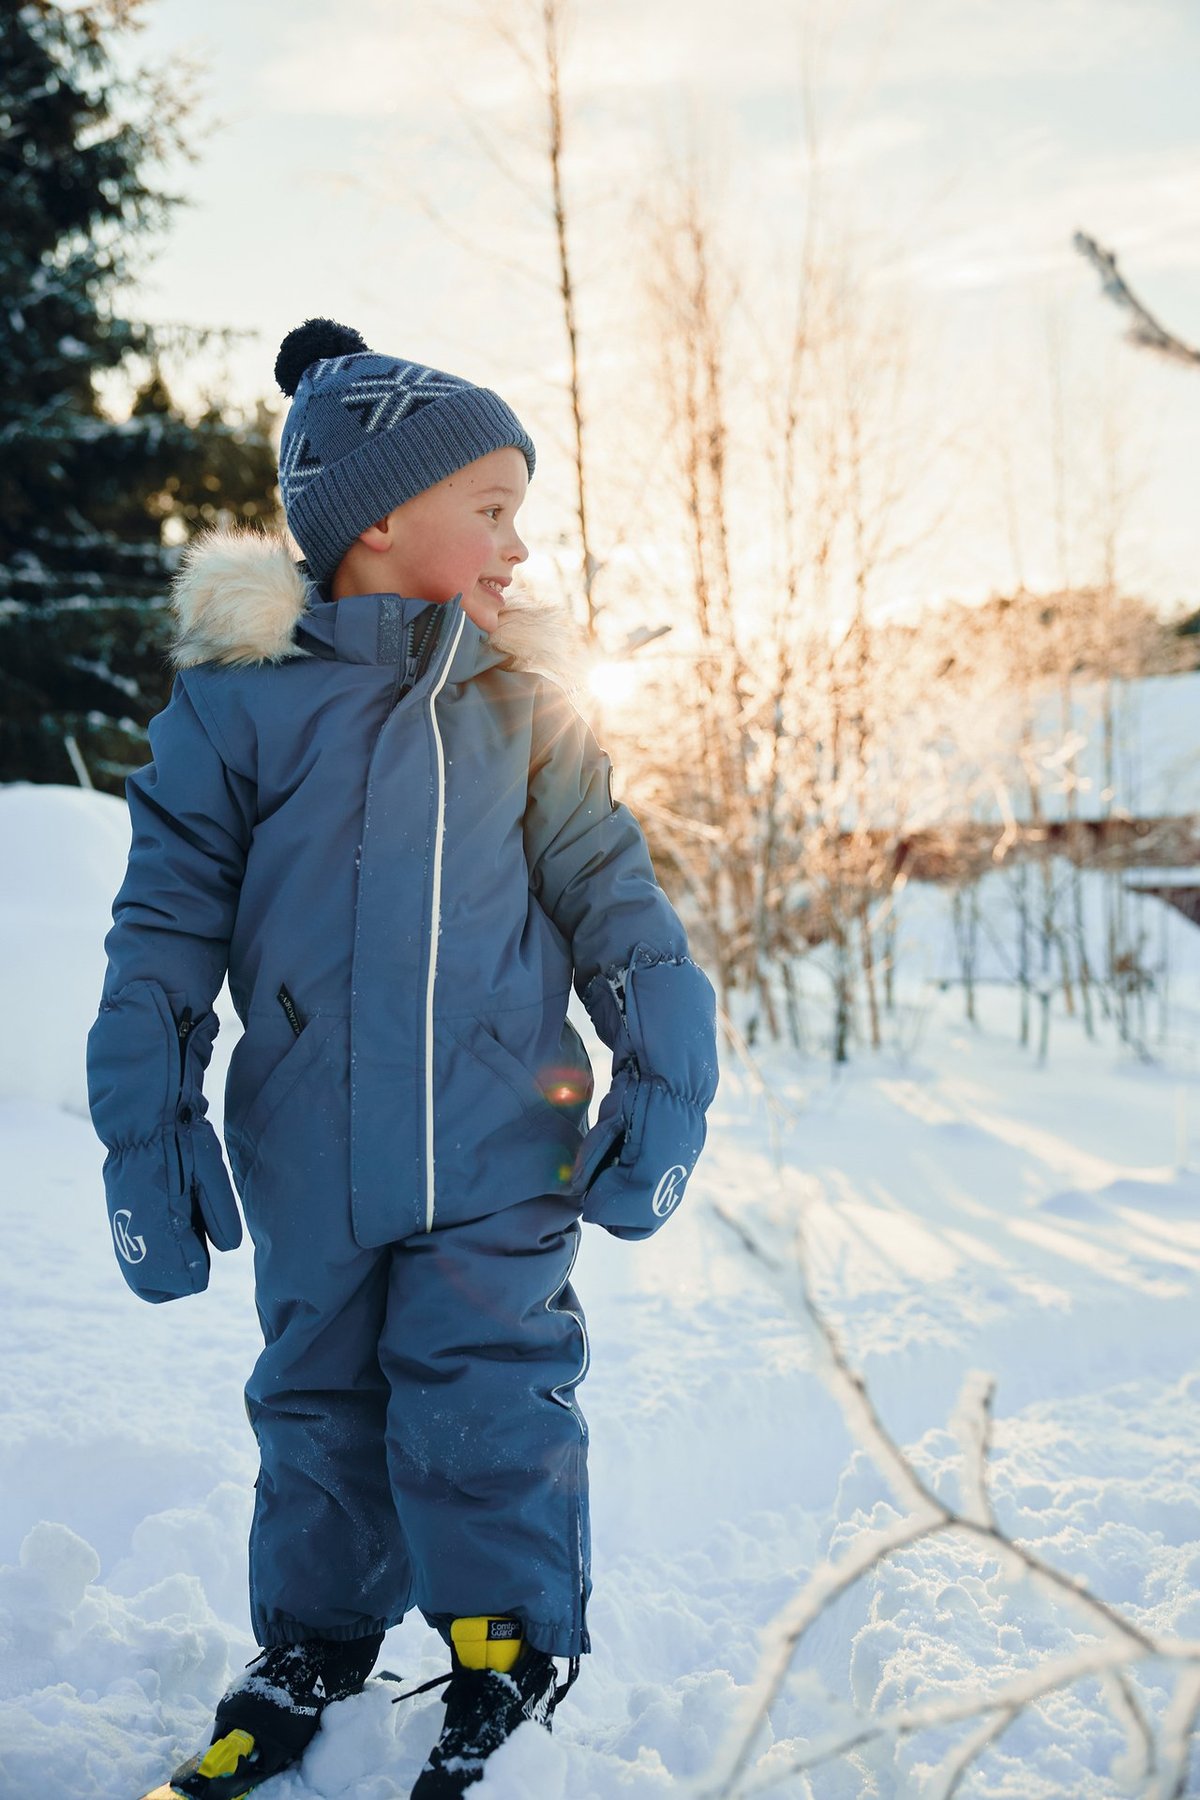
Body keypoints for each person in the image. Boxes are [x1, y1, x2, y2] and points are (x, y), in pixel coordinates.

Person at [87, 318, 718, 1800]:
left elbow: (614, 898)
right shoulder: (237, 708)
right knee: (314, 1394)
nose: (517, 546)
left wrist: (665, 1067)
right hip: (305, 1148)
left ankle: (506, 1649)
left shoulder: (525, 705)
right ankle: (311, 1643)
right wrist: (148, 1122)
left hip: (505, 1134)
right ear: (378, 516)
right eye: (492, 510)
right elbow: (162, 929)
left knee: (487, 1385)